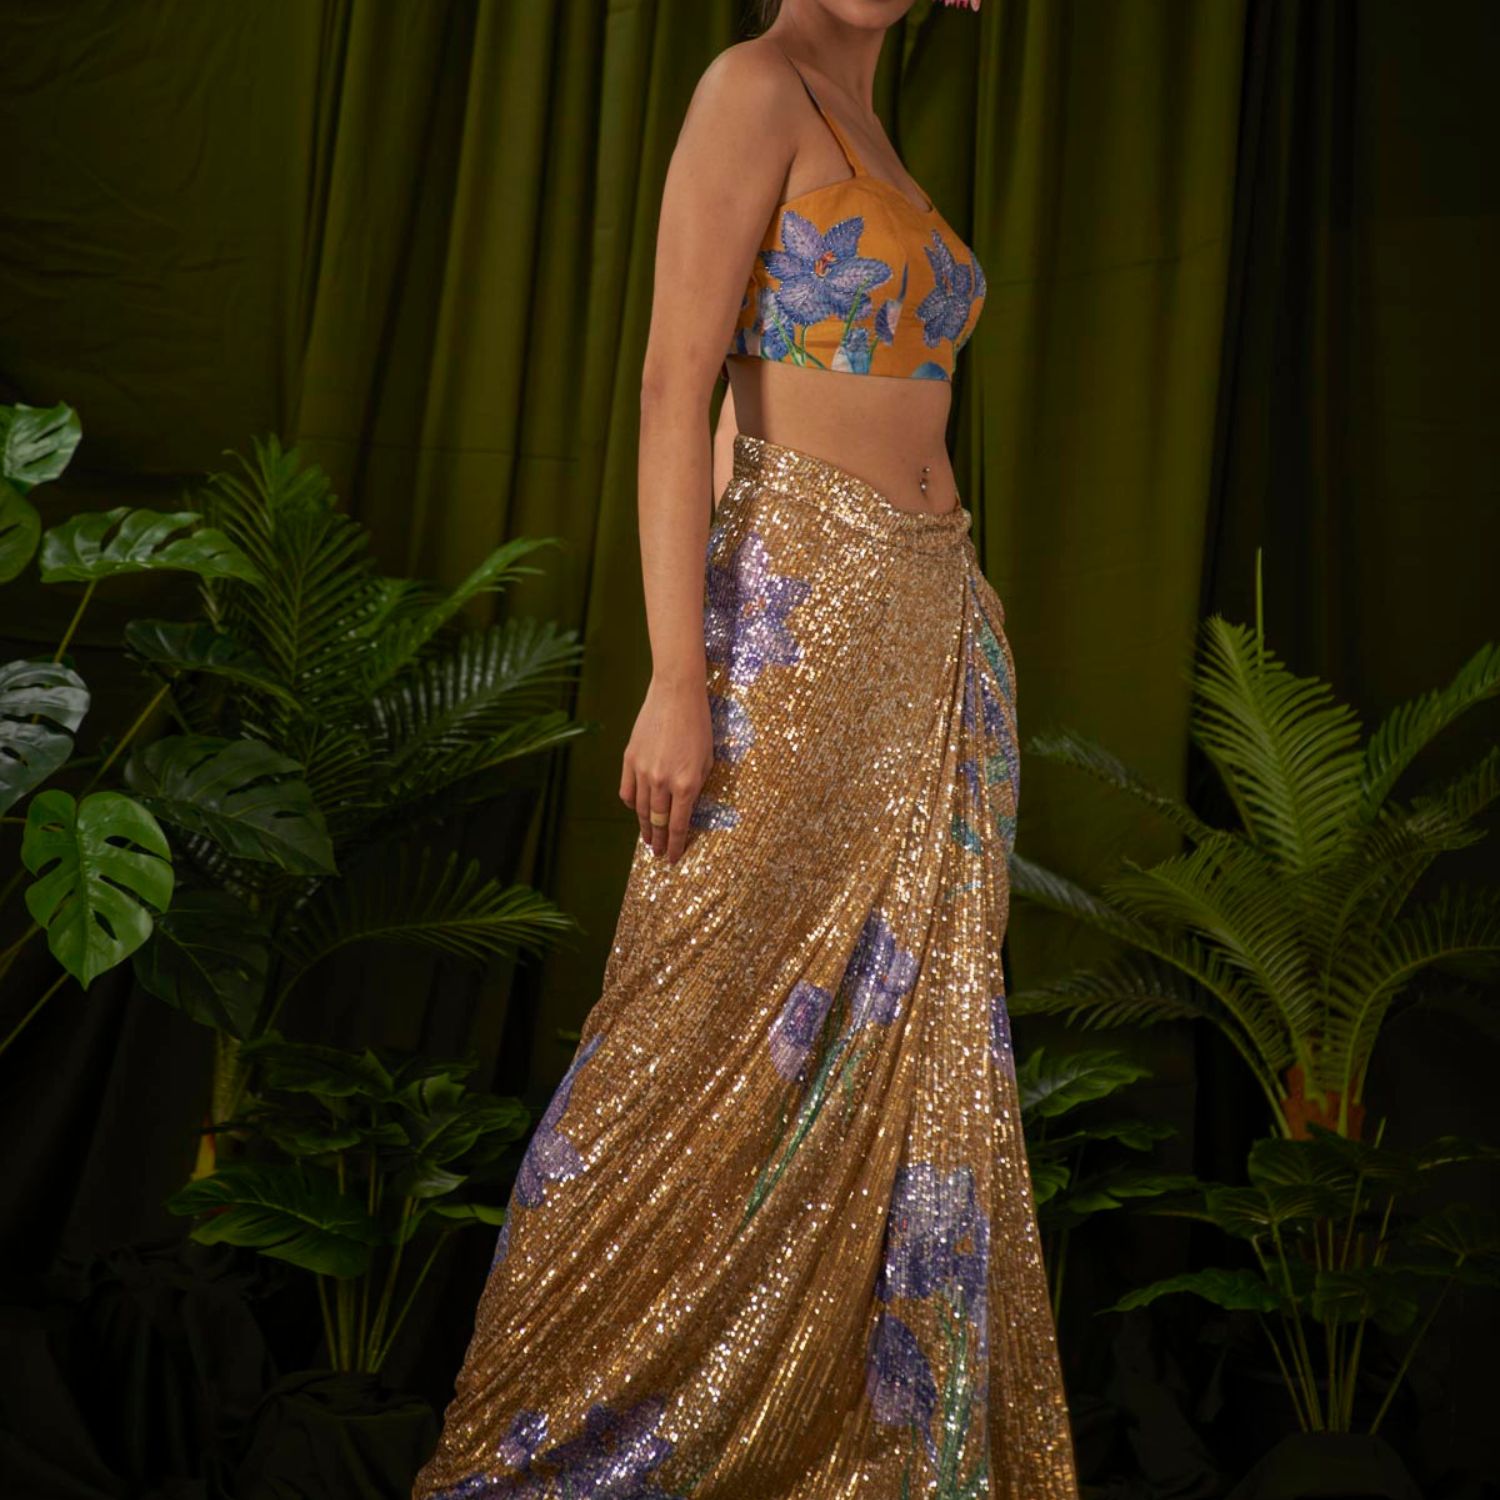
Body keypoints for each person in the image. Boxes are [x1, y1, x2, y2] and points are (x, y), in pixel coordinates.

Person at [413, 1, 1080, 1495]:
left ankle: (847, 1448)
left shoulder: (871, 117)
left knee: (915, 1045)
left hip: (930, 628)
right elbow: (679, 384)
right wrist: (677, 673)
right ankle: (548, 1443)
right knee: (696, 1024)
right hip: (793, 621)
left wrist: (952, 616)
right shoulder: (754, 85)